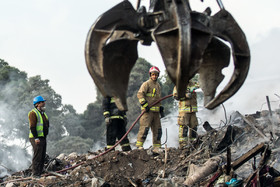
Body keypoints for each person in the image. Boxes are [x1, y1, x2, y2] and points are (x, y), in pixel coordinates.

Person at [136, 66, 164, 152]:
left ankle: (157, 146)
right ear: (150, 75)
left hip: (156, 112)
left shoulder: (158, 86)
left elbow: (157, 99)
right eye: (153, 74)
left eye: (156, 75)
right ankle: (139, 146)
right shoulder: (146, 84)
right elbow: (140, 94)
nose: (154, 76)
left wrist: (160, 108)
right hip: (147, 112)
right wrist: (145, 104)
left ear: (158, 75)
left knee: (158, 130)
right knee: (145, 129)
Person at [173, 80, 199, 149]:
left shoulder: (194, 83)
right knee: (183, 126)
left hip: (193, 110)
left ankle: (193, 143)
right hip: (184, 110)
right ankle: (183, 145)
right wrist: (185, 96)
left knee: (194, 126)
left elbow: (201, 85)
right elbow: (175, 96)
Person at [28, 96, 49, 177]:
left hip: (43, 137)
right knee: (37, 156)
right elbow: (32, 127)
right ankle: (35, 174)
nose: (44, 103)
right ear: (37, 104)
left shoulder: (43, 114)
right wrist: (36, 138)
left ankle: (40, 172)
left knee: (42, 155)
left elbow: (46, 125)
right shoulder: (33, 113)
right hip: (36, 138)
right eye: (42, 102)